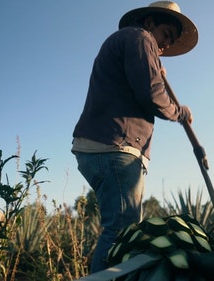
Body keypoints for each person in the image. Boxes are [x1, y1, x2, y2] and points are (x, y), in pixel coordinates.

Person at [71, 1, 198, 273]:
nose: (165, 44)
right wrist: (180, 112)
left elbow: (145, 85)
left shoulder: (131, 42)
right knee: (120, 233)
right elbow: (152, 94)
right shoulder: (139, 38)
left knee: (120, 229)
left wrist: (156, 69)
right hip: (115, 148)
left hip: (101, 147)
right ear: (150, 22)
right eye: (165, 34)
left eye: (172, 41)